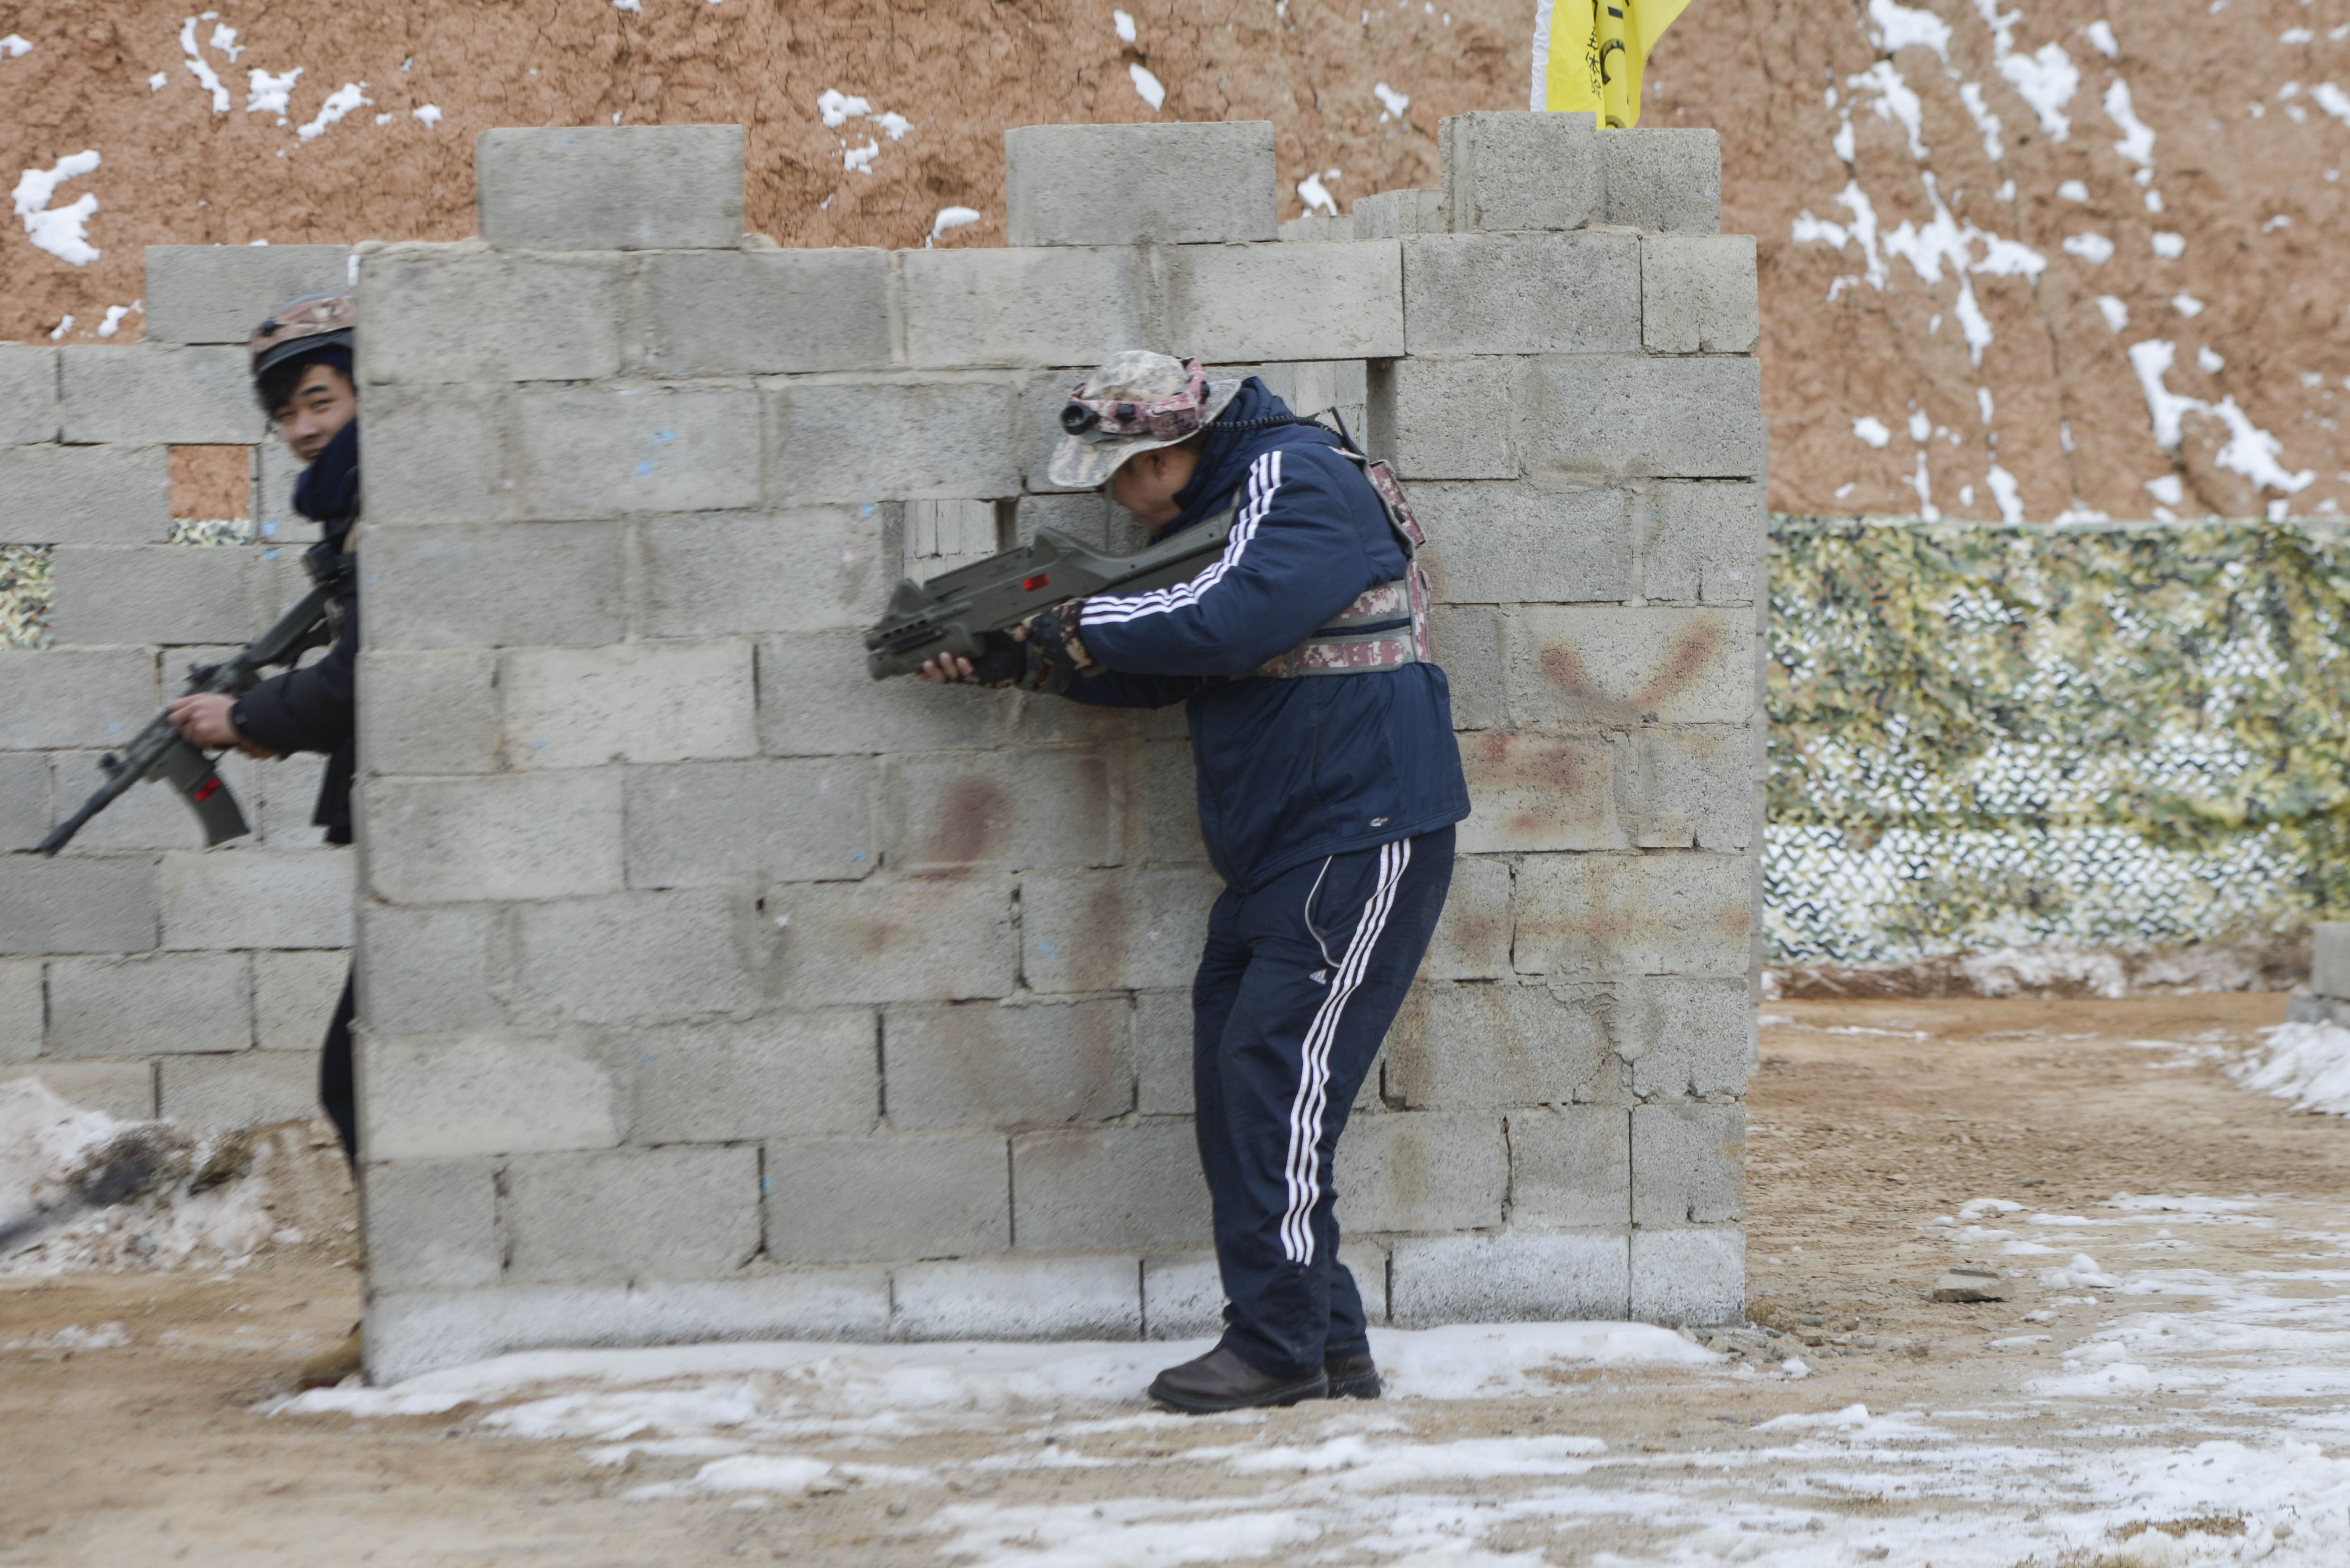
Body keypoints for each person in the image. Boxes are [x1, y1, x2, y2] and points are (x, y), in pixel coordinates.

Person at [919, 352, 1471, 1413]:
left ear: (1171, 448)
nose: (1118, 500)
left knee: (1274, 1086)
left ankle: (1277, 1349)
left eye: (1121, 474)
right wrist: (1010, 661)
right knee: (1244, 1095)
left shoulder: (1293, 476)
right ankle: (1329, 1341)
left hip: (1358, 833)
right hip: (1290, 849)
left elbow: (1228, 621)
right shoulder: (1228, 513)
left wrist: (1067, 625)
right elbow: (1182, 661)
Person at [165, 292, 363, 1388]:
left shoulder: (383, 500)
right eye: (286, 411)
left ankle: (407, 1308)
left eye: (320, 399)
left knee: (354, 1071)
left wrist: (243, 719)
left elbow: (369, 673)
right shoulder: (350, 514)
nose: (301, 427)